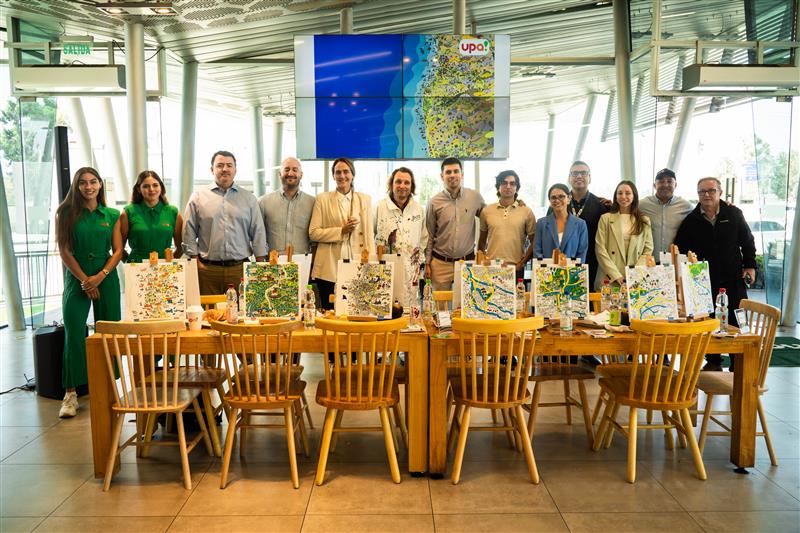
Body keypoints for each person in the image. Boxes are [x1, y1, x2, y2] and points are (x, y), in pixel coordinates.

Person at [55, 167, 123, 418]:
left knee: (109, 332)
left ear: (100, 185)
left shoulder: (112, 215)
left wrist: (100, 276)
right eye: (83, 183)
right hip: (77, 278)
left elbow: (117, 250)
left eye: (93, 182)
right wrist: (85, 280)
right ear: (77, 186)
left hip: (106, 276)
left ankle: (109, 386)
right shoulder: (65, 213)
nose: (88, 187)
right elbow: (64, 251)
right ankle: (70, 394)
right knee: (73, 333)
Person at [674, 177, 757, 371]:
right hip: (704, 281)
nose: (706, 195)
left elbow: (747, 241)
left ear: (720, 192)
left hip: (733, 277)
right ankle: (713, 360)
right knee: (710, 320)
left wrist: (750, 265)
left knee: (737, 318)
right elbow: (681, 249)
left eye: (711, 190)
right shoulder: (692, 220)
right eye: (702, 191)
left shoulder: (734, 214)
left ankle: (739, 361)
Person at [182, 151, 267, 295]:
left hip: (240, 270)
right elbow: (188, 232)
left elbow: (258, 232)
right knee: (207, 309)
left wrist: (260, 265)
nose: (225, 169)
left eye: (229, 165)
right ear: (212, 169)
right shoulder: (198, 197)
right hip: (207, 271)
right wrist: (195, 261)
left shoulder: (249, 199)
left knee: (241, 308)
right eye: (220, 165)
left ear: (235, 170)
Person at [309, 157, 375, 310]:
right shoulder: (322, 199)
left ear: (353, 174)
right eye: (338, 172)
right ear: (333, 175)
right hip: (329, 268)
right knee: (329, 312)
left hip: (357, 265)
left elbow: (369, 236)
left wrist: (371, 265)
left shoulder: (365, 199)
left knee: (356, 312)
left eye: (346, 171)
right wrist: (341, 231)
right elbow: (313, 233)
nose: (342, 176)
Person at [424, 157, 486, 290]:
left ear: (462, 174)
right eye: (448, 172)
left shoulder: (474, 197)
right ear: (442, 176)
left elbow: (490, 218)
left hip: (467, 262)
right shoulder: (434, 202)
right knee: (440, 302)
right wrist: (427, 263)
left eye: (456, 171)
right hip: (440, 264)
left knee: (467, 302)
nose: (452, 175)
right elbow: (429, 235)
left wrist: (515, 202)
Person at [374, 167, 428, 301]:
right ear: (391, 184)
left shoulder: (418, 209)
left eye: (406, 182)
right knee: (384, 305)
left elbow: (424, 239)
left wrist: (418, 263)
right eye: (398, 182)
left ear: (412, 186)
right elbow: (370, 236)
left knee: (410, 306)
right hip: (384, 268)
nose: (402, 186)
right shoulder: (379, 207)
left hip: (411, 270)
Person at [594, 180, 654, 289]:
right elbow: (600, 249)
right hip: (609, 278)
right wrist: (616, 276)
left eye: (628, 193)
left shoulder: (644, 220)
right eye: (620, 193)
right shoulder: (605, 219)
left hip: (635, 278)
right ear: (615, 196)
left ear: (634, 196)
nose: (623, 196)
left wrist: (634, 273)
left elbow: (648, 250)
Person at [478, 170, 535, 281]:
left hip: (516, 268)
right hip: (491, 267)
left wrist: (523, 262)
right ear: (498, 187)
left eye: (512, 183)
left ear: (517, 188)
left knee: (517, 293)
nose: (508, 186)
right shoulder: (487, 211)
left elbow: (534, 241)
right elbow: (482, 241)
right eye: (504, 183)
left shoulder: (526, 211)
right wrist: (483, 260)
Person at [120, 170, 182, 263]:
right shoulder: (128, 212)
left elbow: (180, 248)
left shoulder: (173, 212)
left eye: (155, 185)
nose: (151, 189)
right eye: (146, 186)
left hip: (164, 267)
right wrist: (131, 263)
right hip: (136, 266)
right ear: (138, 189)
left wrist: (168, 263)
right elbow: (119, 248)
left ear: (161, 187)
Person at [563, 160, 609, 287]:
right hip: (563, 262)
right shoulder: (559, 203)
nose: (579, 176)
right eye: (575, 173)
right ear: (569, 178)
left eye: (583, 173)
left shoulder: (600, 205)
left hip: (591, 263)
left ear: (590, 178)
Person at [258, 156, 316, 255]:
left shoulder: (313, 203)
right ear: (279, 174)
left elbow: (314, 240)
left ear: (301, 175)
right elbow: (258, 236)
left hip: (303, 261)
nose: (290, 173)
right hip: (274, 262)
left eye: (295, 170)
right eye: (287, 169)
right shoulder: (263, 202)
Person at [639, 168, 693, 255]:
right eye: (661, 181)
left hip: (675, 260)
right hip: (649, 259)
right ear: (654, 185)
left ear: (675, 185)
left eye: (669, 181)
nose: (665, 185)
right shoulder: (641, 205)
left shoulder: (686, 206)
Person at [534, 183, 588, 263]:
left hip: (571, 270)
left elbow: (581, 253)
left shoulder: (581, 224)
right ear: (550, 201)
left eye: (561, 196)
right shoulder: (541, 223)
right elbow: (537, 251)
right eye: (553, 197)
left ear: (569, 199)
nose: (557, 200)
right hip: (546, 269)